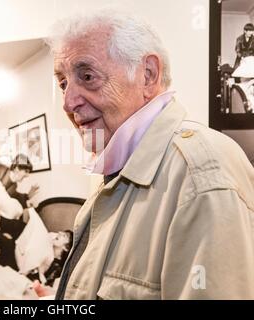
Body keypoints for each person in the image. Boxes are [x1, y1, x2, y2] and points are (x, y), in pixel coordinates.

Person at [36, 11, 254, 299]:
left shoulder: (199, 172)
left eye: (87, 76)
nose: (68, 102)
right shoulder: (117, 173)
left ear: (148, 76)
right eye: (63, 83)